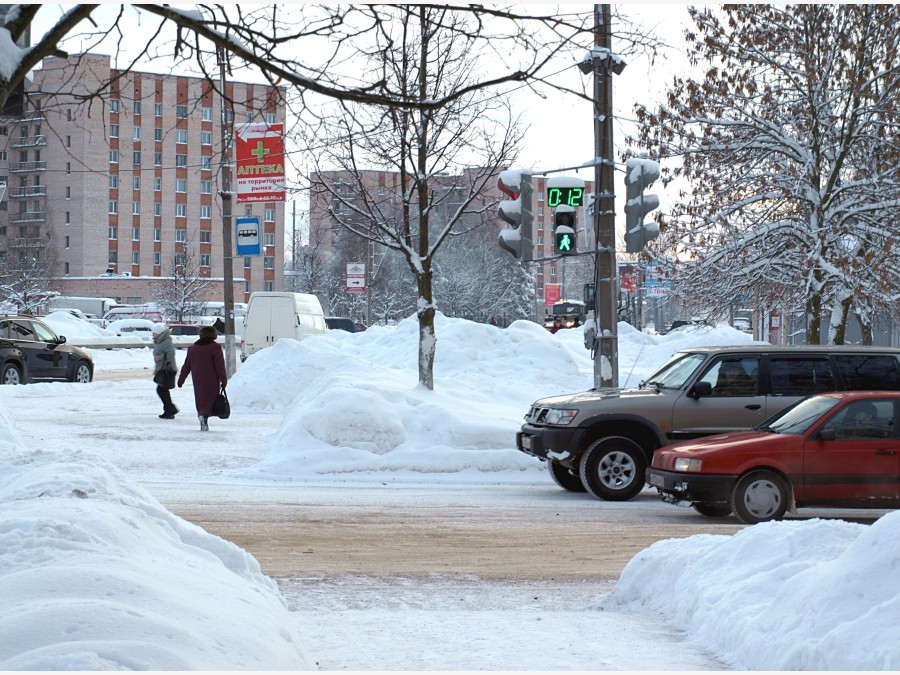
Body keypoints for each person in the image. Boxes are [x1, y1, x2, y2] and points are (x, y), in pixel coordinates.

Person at [177, 325, 227, 431]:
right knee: (211, 399)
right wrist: (223, 379)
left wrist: (181, 380)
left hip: (198, 379)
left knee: (200, 399)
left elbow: (186, 366)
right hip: (212, 379)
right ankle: (206, 416)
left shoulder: (192, 348)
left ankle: (202, 414)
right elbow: (220, 366)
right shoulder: (215, 347)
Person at [151, 323, 178, 419]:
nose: (152, 335)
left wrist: (160, 357)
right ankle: (169, 410)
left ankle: (170, 410)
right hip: (162, 369)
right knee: (163, 390)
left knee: (161, 390)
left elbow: (171, 353)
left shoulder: (165, 342)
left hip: (167, 369)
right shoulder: (160, 341)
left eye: (153, 333)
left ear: (158, 333)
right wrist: (156, 367)